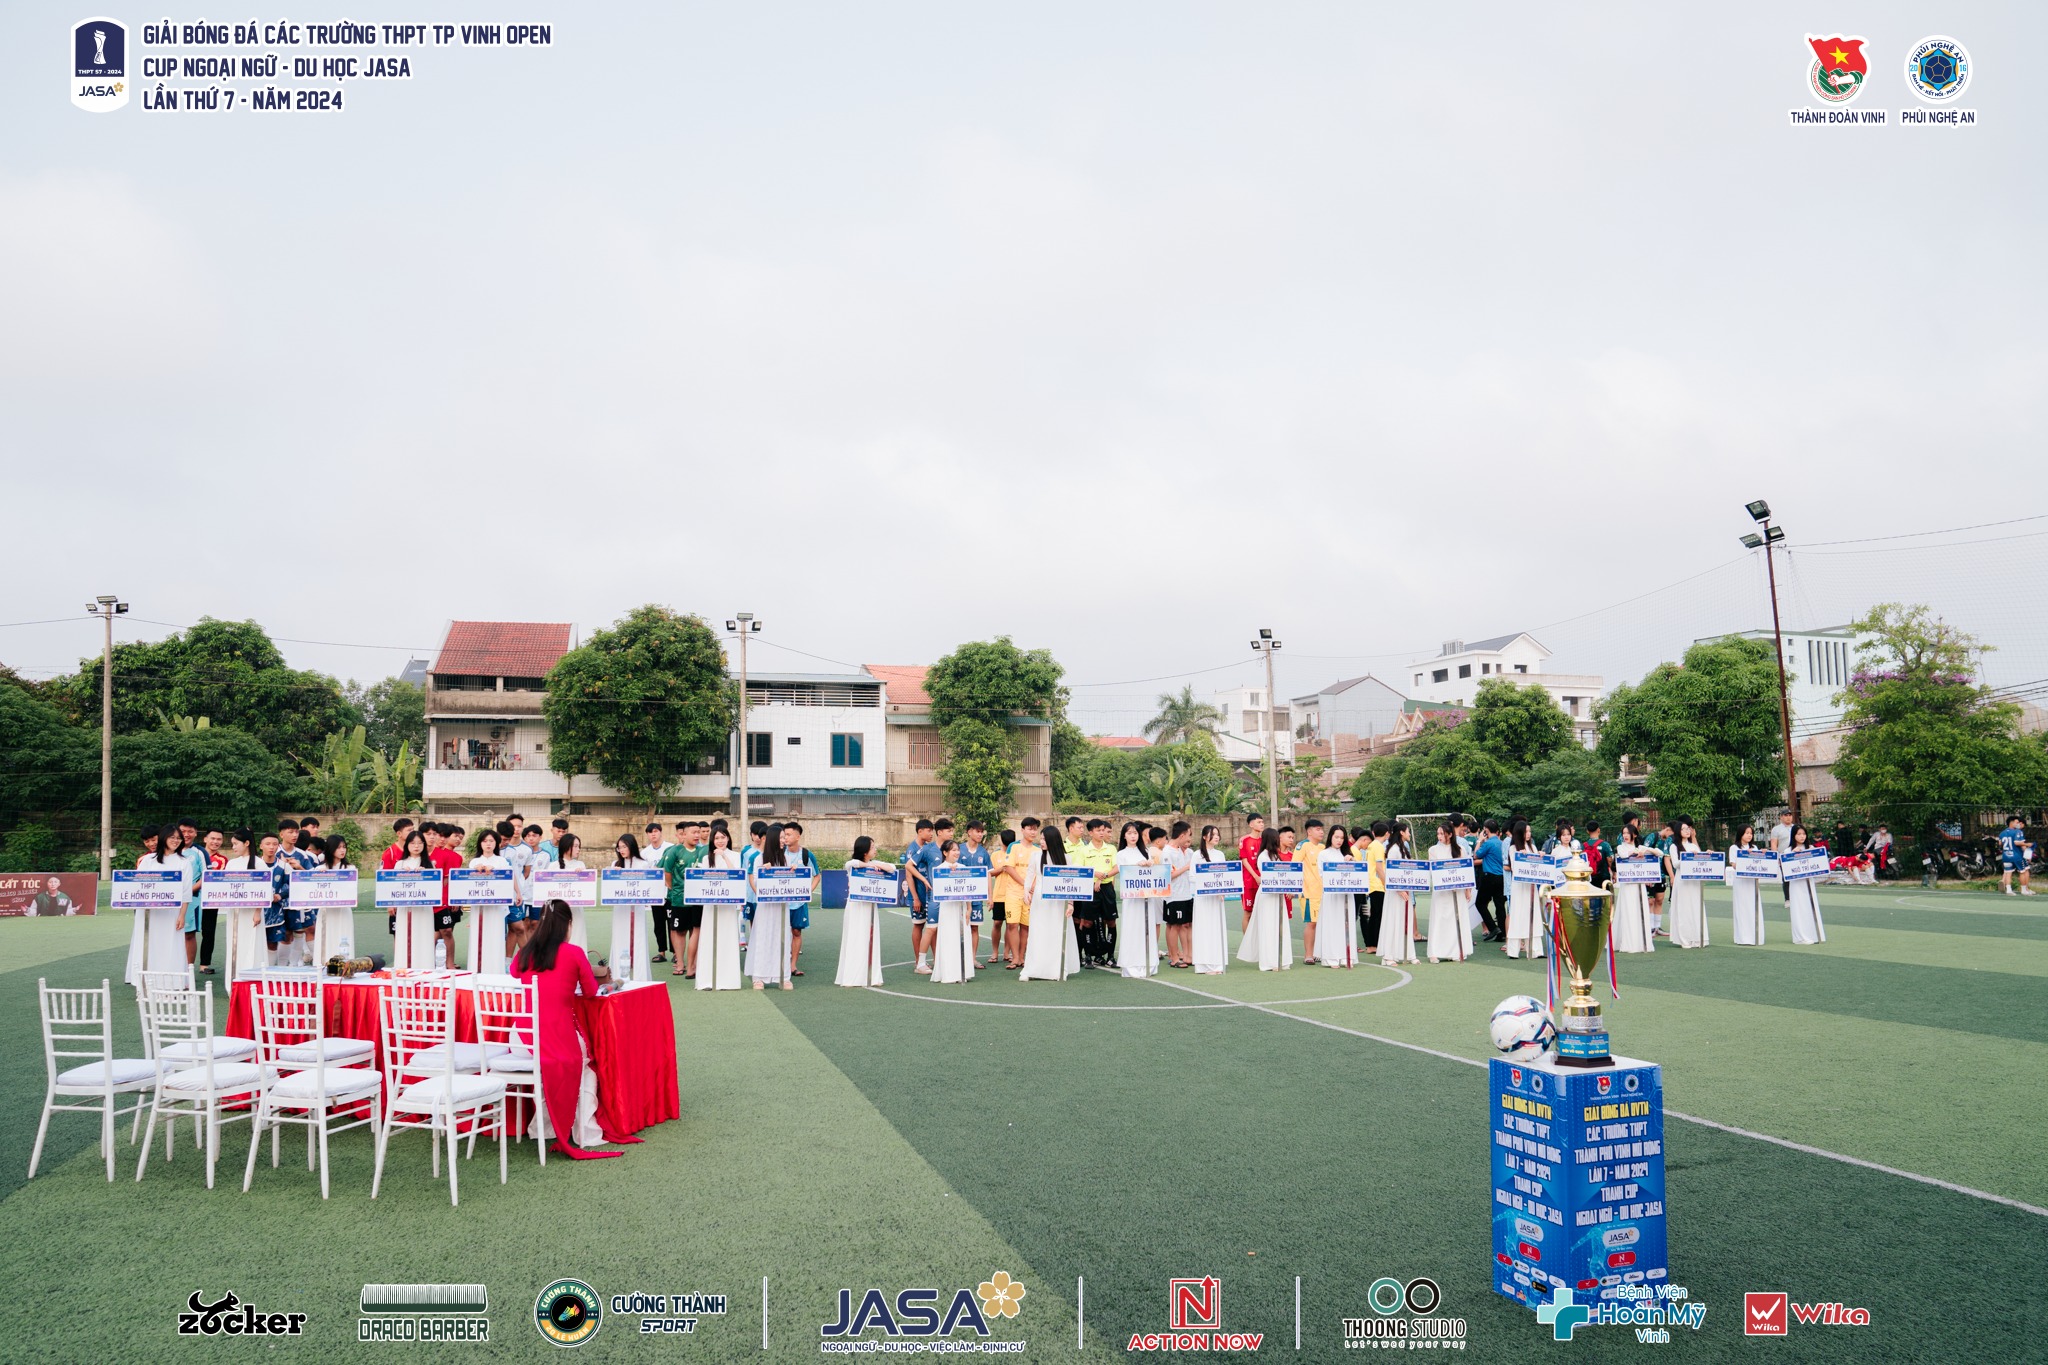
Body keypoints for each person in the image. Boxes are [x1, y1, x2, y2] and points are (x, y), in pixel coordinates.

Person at [510, 900, 642, 1160]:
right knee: (584, 1067)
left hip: (521, 1037)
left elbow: (516, 974)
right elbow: (592, 992)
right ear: (567, 925)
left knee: (560, 1064)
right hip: (553, 1035)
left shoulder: (525, 951)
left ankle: (543, 1127)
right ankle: (586, 1131)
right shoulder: (573, 952)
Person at [124, 824, 193, 985]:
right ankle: (145, 982)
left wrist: (182, 915)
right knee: (148, 943)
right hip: (148, 912)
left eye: (178, 838)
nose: (176, 841)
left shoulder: (184, 862)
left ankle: (172, 983)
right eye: (172, 837)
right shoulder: (148, 860)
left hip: (171, 913)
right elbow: (137, 884)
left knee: (170, 945)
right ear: (164, 838)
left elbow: (186, 892)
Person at [1018, 823, 1081, 981]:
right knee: (1038, 933)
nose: (1041, 841)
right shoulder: (1036, 856)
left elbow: (1070, 882)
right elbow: (1029, 876)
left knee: (1057, 932)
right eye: (1041, 838)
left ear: (1053, 840)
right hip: (1040, 900)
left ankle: (1057, 968)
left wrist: (1071, 903)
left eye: (1044, 839)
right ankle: (1033, 968)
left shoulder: (1066, 858)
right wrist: (1026, 893)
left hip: (1058, 902)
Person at [695, 824, 746, 990]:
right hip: (711, 906)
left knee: (727, 938)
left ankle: (728, 980)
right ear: (712, 840)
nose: (720, 841)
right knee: (710, 938)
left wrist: (724, 856)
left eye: (723, 837)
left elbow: (736, 875)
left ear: (728, 838)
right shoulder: (706, 858)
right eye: (717, 838)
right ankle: (707, 979)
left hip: (728, 906)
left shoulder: (736, 856)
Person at [1237, 828, 1294, 972]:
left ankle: (1282, 959)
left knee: (1280, 926)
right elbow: (1269, 876)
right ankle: (1269, 961)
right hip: (1268, 895)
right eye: (1277, 838)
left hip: (1278, 894)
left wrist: (1289, 887)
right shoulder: (1263, 856)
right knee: (1268, 927)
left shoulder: (1276, 856)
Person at [837, 835, 890, 987]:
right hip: (855, 905)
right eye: (872, 847)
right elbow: (849, 863)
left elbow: (891, 868)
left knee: (870, 939)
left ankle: (871, 975)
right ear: (864, 850)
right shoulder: (853, 865)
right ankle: (851, 976)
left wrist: (877, 865)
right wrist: (869, 866)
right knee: (854, 937)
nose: (875, 850)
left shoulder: (875, 863)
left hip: (870, 907)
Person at [217, 830, 269, 981]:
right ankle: (234, 979)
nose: (233, 847)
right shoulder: (232, 863)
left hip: (252, 913)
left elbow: (263, 890)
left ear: (247, 843)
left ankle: (253, 980)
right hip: (235, 912)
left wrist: (257, 912)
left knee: (252, 944)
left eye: (235, 844)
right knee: (235, 943)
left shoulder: (259, 863)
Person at [657, 820, 705, 978]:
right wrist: (673, 888)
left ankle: (694, 963)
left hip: (698, 899)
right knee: (679, 931)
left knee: (696, 930)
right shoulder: (674, 851)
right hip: (678, 899)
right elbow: (666, 872)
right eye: (694, 832)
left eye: (699, 832)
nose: (697, 835)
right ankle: (680, 963)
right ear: (684, 834)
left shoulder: (703, 851)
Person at [607, 834, 656, 983]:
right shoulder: (615, 863)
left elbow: (649, 885)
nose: (621, 850)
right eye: (619, 847)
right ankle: (618, 976)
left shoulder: (643, 864)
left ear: (631, 846)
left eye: (624, 846)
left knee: (639, 939)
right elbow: (610, 887)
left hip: (638, 908)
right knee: (620, 937)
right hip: (621, 909)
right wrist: (614, 874)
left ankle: (640, 978)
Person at [1424, 820, 1473, 963]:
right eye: (1438, 833)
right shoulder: (1433, 850)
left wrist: (1467, 890)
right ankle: (1434, 952)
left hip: (1457, 890)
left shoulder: (1460, 850)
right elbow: (1433, 870)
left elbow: (1466, 871)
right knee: (1439, 918)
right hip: (1441, 891)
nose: (1439, 836)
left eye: (1442, 834)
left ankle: (1455, 951)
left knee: (1456, 918)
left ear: (1450, 835)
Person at [929, 839, 978, 984]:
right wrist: (948, 874)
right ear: (945, 853)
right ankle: (949, 973)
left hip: (961, 908)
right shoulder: (939, 869)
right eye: (953, 850)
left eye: (957, 850)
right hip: (948, 909)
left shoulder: (963, 867)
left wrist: (969, 908)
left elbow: (968, 890)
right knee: (949, 938)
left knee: (963, 938)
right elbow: (938, 891)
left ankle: (963, 971)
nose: (957, 852)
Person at [1076, 818, 1119, 967]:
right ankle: (1088, 956)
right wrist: (1096, 874)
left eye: (1103, 830)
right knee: (1087, 923)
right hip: (1090, 889)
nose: (1101, 833)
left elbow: (1116, 867)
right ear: (1090, 832)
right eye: (1098, 830)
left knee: (1111, 922)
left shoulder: (1111, 849)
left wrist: (1104, 876)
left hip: (1107, 889)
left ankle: (1110, 956)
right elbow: (1080, 870)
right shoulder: (1084, 850)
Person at [1503, 819, 1548, 960]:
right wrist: (1521, 857)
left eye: (1529, 831)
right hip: (1519, 886)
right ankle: (1513, 950)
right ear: (1519, 833)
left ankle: (1535, 950)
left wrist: (1540, 857)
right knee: (1518, 914)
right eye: (1526, 831)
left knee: (1533, 914)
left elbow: (1538, 866)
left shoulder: (1533, 847)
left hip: (1532, 886)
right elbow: (1515, 869)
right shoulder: (1513, 849)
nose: (1528, 834)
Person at [310, 832, 358, 963]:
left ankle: (345, 967)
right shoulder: (319, 869)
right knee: (325, 939)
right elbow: (311, 890)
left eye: (344, 847)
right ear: (331, 849)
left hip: (343, 911)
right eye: (339, 847)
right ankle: (323, 966)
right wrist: (320, 877)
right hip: (326, 911)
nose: (342, 850)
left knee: (344, 938)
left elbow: (352, 891)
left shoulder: (350, 868)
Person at [1189, 825, 1231, 974]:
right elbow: (1192, 876)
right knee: (1203, 928)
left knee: (1216, 927)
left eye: (1217, 834)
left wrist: (1222, 889)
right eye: (1213, 834)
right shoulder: (1197, 855)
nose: (1216, 837)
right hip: (1203, 898)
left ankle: (1218, 963)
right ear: (1204, 837)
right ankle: (1204, 964)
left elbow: (1225, 875)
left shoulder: (1220, 854)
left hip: (1216, 898)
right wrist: (1206, 883)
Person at [781, 822, 820, 977]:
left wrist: (806, 892)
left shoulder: (806, 855)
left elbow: (817, 876)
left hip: (798, 903)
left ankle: (792, 965)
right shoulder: (779, 853)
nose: (785, 838)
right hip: (781, 902)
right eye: (784, 835)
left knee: (796, 931)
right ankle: (779, 964)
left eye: (788, 835)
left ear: (798, 836)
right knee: (780, 933)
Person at [1316, 824, 1358, 968]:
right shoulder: (1324, 854)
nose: (1339, 840)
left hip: (1347, 895)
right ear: (1331, 837)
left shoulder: (1348, 854)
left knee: (1346, 924)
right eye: (1336, 837)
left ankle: (1347, 956)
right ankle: (1331, 957)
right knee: (1332, 924)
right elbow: (1322, 875)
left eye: (1342, 837)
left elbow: (1357, 874)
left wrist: (1351, 861)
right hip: (1332, 895)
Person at [1005, 818, 1044, 971]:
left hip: (1031, 894)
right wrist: (1025, 884)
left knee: (1026, 926)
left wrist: (1032, 886)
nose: (1033, 832)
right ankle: (1014, 957)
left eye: (1035, 829)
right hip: (1013, 892)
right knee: (1012, 924)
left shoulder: (1038, 850)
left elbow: (1039, 872)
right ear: (1022, 830)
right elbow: (1009, 868)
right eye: (1030, 828)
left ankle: (1022, 957)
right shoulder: (1013, 847)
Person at [1376, 824, 1418, 965]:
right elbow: (1391, 872)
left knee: (1405, 921)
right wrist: (1398, 889)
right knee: (1394, 920)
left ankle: (1408, 953)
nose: (1409, 834)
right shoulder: (1394, 849)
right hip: (1395, 892)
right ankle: (1389, 955)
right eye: (1407, 831)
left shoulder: (1403, 848)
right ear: (1401, 832)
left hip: (1405, 890)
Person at [901, 818, 938, 974]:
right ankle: (918, 961)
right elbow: (909, 876)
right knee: (919, 925)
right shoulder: (912, 849)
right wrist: (915, 897)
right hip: (918, 894)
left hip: (930, 894)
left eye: (932, 831)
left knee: (933, 926)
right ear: (920, 831)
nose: (931, 834)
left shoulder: (930, 848)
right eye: (929, 830)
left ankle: (937, 959)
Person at [1610, 826, 1655, 954]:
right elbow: (1623, 855)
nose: (1625, 835)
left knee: (1639, 909)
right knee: (1628, 910)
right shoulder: (1621, 847)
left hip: (1639, 883)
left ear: (1634, 835)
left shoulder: (1640, 847)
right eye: (1623, 833)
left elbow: (1659, 853)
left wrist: (1645, 850)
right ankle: (1627, 942)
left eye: (1627, 833)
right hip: (1627, 885)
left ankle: (1641, 941)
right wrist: (1635, 852)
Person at [428, 822, 467, 969]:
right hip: (434, 901)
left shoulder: (453, 856)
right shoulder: (427, 854)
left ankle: (446, 962)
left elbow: (450, 880)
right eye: (455, 836)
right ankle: (432, 960)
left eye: (461, 837)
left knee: (446, 930)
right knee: (439, 931)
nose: (458, 839)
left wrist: (455, 898)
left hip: (447, 901)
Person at [1665, 818, 1708, 948]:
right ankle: (1684, 939)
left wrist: (1707, 854)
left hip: (1694, 881)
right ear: (1678, 831)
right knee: (1683, 908)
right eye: (1683, 829)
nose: (1687, 831)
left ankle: (1698, 937)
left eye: (1688, 828)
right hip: (1682, 880)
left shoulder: (1693, 846)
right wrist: (1688, 856)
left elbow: (1701, 859)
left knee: (1696, 906)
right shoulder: (1674, 846)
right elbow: (1676, 864)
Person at [957, 820, 995, 966]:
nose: (980, 834)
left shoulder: (983, 853)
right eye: (977, 831)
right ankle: (959, 958)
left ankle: (972, 959)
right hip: (960, 899)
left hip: (977, 899)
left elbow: (988, 875)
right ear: (969, 832)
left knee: (974, 927)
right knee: (959, 928)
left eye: (981, 831)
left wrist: (990, 897)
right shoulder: (959, 850)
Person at [1161, 821, 1196, 969]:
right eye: (1188, 836)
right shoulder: (1167, 852)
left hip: (1187, 894)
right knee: (1173, 926)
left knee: (1181, 924)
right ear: (1181, 835)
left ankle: (1182, 955)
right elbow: (1168, 875)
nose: (1189, 839)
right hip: (1173, 895)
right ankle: (1174, 957)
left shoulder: (1187, 851)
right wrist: (1186, 867)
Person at [1786, 825, 1828, 945]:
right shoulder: (1788, 850)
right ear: (1793, 836)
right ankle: (1801, 937)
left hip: (1809, 883)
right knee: (1799, 908)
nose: (1802, 836)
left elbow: (1819, 863)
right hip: (1796, 884)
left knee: (1810, 906)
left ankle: (1814, 935)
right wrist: (1793, 854)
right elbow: (1785, 867)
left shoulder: (1810, 848)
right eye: (1799, 834)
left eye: (1803, 834)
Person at [552, 833, 591, 953]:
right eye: (575, 846)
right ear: (566, 846)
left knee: (577, 936)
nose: (578, 849)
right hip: (559, 911)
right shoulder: (553, 866)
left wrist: (582, 875)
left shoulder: (580, 865)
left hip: (576, 910)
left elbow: (586, 888)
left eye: (579, 846)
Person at [1471, 819, 1507, 944]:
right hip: (1501, 877)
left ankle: (1493, 927)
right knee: (1499, 906)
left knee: (1480, 903)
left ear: (1486, 830)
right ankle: (1502, 933)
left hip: (1489, 876)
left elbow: (1476, 855)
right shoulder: (1501, 843)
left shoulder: (1488, 843)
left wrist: (1480, 840)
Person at [641, 822, 673, 963]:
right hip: (655, 894)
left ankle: (676, 953)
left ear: (660, 832)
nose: (653, 834)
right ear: (647, 835)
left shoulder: (671, 848)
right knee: (658, 924)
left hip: (670, 892)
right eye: (650, 832)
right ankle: (662, 952)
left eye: (655, 831)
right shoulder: (644, 853)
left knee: (673, 924)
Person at [1728, 826, 1766, 945]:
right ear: (1741, 834)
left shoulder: (1754, 847)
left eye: (1751, 833)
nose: (1749, 835)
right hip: (1740, 881)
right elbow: (1733, 864)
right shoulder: (1734, 848)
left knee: (1753, 906)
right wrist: (1746, 855)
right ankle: (1743, 937)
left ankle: (1756, 936)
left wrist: (1762, 854)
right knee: (1742, 907)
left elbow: (1759, 863)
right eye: (1747, 833)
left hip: (1752, 881)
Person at [1296, 818, 1327, 963]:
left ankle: (1319, 952)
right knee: (1312, 923)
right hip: (1309, 892)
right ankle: (1308, 954)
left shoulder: (1323, 847)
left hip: (1324, 892)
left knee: (1322, 923)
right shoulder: (1302, 846)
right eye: (1318, 829)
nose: (1321, 832)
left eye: (1322, 829)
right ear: (1309, 831)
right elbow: (1294, 867)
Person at [988, 827, 1018, 968]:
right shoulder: (995, 855)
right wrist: (1002, 869)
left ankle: (1007, 952)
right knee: (997, 923)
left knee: (1011, 925)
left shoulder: (1016, 853)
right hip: (999, 895)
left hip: (1013, 894)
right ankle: (995, 952)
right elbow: (990, 873)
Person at [1361, 822, 1389, 954]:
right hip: (1377, 885)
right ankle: (1373, 944)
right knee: (1377, 916)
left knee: (1375, 915)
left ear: (1373, 833)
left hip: (1372, 884)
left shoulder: (1371, 846)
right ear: (1387, 833)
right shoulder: (1378, 846)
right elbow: (1379, 867)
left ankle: (1372, 944)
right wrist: (1386, 883)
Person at [1237, 814, 1266, 929]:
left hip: (1262, 882)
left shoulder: (1264, 841)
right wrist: (1255, 876)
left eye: (1262, 822)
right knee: (1248, 913)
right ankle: (1246, 943)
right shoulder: (1244, 840)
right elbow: (1244, 860)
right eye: (1259, 822)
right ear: (1251, 824)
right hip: (1249, 881)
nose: (1262, 824)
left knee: (1261, 913)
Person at [2000, 816, 2035, 897]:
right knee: (2023, 871)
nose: (2018, 824)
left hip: (2006, 856)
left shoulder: (2002, 833)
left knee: (2008, 873)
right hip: (2017, 856)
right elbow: (2017, 843)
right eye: (2016, 822)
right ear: (2011, 823)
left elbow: (2000, 844)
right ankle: (2024, 890)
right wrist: (2028, 848)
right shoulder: (2018, 832)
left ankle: (2009, 890)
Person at [1769, 809, 1796, 907]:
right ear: (1781, 817)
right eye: (1786, 815)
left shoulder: (1796, 827)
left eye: (1790, 815)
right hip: (1783, 856)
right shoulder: (1776, 829)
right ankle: (1787, 899)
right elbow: (1774, 843)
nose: (1788, 817)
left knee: (1797, 878)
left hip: (1796, 856)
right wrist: (1776, 858)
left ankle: (1797, 898)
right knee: (1786, 878)